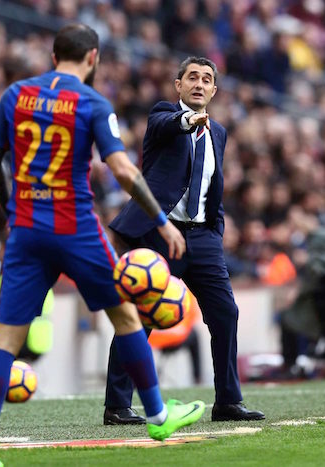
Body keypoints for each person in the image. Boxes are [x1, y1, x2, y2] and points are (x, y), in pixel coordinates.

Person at [0, 24, 204, 467]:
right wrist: (161, 221)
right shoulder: (93, 102)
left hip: (26, 230)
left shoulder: (15, 94)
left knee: (5, 340)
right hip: (75, 226)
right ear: (93, 57)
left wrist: (11, 210)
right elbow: (122, 170)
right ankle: (157, 414)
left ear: (54, 54)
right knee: (125, 316)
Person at [104, 56, 264, 424]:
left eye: (206, 79)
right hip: (160, 233)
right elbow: (167, 124)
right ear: (178, 85)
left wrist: (215, 231)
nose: (199, 84)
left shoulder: (219, 133)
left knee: (225, 313)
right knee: (139, 316)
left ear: (214, 90)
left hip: (202, 236)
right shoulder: (163, 115)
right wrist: (187, 120)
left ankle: (227, 401)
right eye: (192, 77)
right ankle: (117, 405)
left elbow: (213, 189)